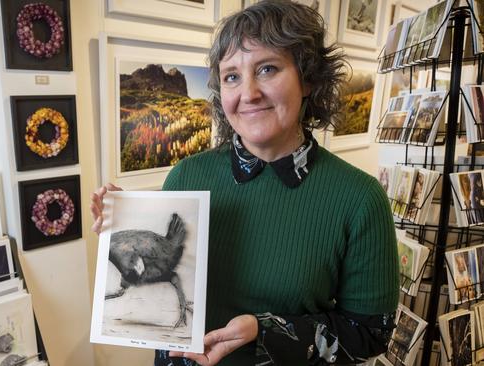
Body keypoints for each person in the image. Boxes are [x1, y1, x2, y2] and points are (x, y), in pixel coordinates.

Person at [91, 1, 399, 364]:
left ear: (309, 79)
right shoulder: (187, 176)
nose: (248, 93)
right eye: (232, 76)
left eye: (267, 69)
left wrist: (264, 331)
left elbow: (369, 333)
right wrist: (124, 228)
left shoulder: (359, 199)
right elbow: (167, 283)